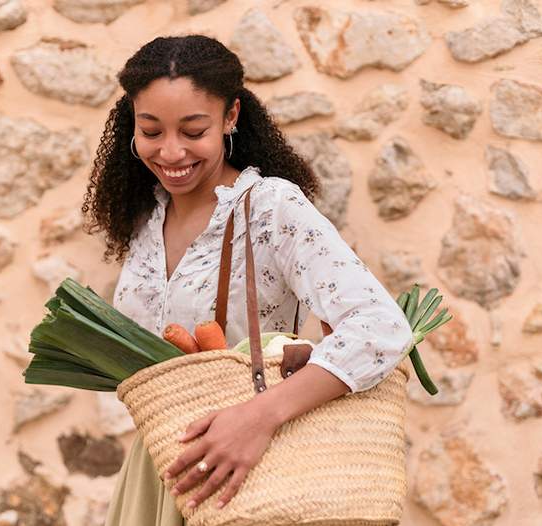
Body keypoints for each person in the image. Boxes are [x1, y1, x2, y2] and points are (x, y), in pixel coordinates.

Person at [80, 34, 414, 526]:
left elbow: (381, 328)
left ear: (231, 117)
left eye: (193, 130)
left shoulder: (270, 206)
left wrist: (259, 417)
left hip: (254, 473)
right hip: (165, 472)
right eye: (151, 131)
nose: (170, 152)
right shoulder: (145, 219)